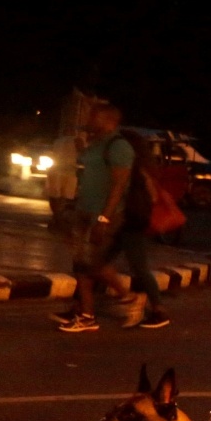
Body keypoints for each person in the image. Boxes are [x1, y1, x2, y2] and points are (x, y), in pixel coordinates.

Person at [53, 102, 136, 333]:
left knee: (92, 262)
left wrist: (104, 219)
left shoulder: (119, 147)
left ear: (108, 120)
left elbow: (119, 185)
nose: (89, 121)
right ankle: (87, 316)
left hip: (103, 214)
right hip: (84, 209)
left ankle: (128, 297)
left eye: (94, 117)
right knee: (81, 265)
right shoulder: (97, 144)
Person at [116, 129, 172, 329]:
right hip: (130, 220)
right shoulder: (142, 166)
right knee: (98, 263)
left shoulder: (135, 168)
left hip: (131, 221)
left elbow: (151, 196)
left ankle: (158, 309)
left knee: (138, 267)